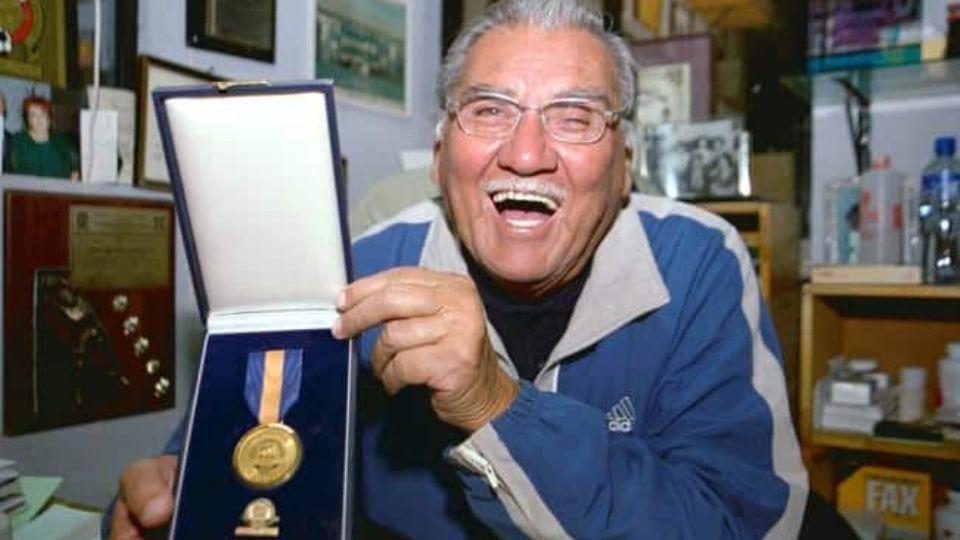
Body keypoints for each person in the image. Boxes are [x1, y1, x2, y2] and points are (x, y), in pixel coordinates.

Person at [107, 1, 808, 538]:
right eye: (489, 110)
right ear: (440, 156)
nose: (526, 154)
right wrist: (164, 501)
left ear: (625, 166)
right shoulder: (353, 278)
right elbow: (229, 471)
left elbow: (740, 521)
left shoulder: (698, 265)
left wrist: (495, 407)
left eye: (574, 117)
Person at [8, 95, 79, 180]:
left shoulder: (61, 139)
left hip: (61, 187)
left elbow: (75, 168)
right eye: (33, 115)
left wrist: (69, 185)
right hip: (28, 187)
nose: (39, 118)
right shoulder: (19, 140)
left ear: (49, 117)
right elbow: (17, 171)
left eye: (43, 114)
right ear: (28, 119)